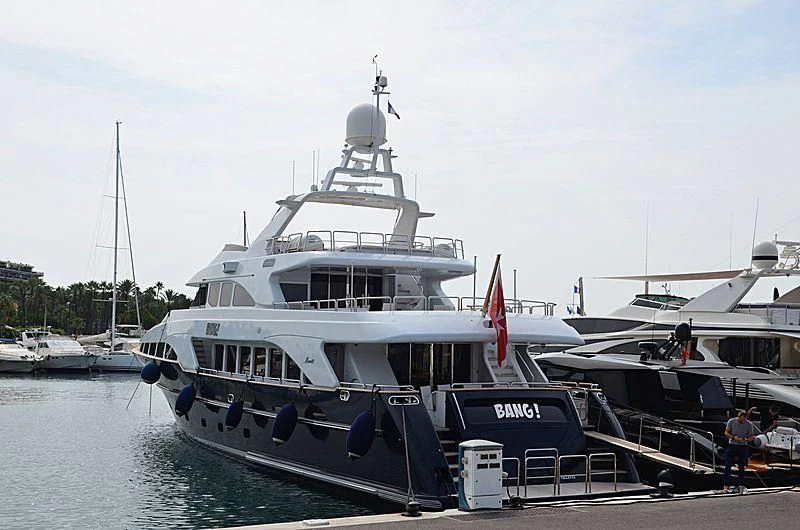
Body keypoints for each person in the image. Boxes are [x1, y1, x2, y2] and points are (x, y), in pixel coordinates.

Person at [723, 410, 758, 493]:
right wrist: (734, 437)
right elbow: (726, 433)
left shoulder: (749, 424)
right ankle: (726, 485)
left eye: (743, 420)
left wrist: (746, 439)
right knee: (728, 465)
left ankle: (741, 485)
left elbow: (751, 436)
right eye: (740, 420)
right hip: (733, 444)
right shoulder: (732, 421)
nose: (742, 421)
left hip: (743, 446)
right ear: (738, 417)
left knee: (741, 466)